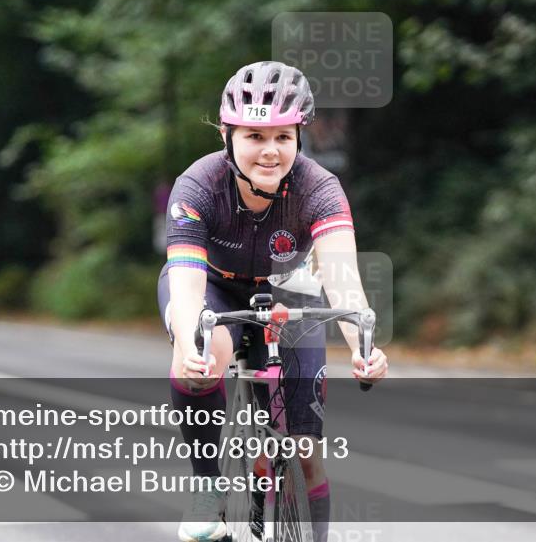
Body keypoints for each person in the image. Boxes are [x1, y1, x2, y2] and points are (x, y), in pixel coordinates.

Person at [158, 61, 389, 542]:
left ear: (299, 137)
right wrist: (191, 342)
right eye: (254, 136)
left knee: (305, 451)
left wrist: (363, 349)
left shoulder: (319, 188)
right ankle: (207, 486)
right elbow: (187, 288)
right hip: (213, 285)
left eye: (283, 137)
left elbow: (342, 280)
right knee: (201, 355)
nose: (270, 150)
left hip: (287, 289)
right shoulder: (197, 185)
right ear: (227, 136)